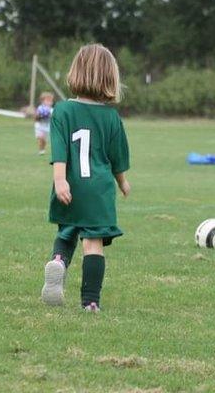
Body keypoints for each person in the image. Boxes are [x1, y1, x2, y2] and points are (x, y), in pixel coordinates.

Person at [41, 44, 131, 312]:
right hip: (99, 190)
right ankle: (90, 301)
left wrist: (60, 180)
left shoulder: (62, 111)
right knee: (93, 242)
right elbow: (118, 158)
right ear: (109, 78)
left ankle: (58, 261)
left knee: (67, 230)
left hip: (71, 184)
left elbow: (59, 149)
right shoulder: (112, 118)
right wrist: (123, 182)